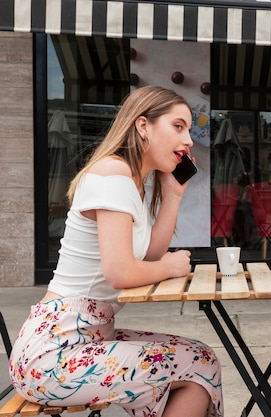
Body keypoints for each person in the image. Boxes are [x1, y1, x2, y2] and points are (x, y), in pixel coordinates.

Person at [9, 86, 223, 417]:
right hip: (54, 352)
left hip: (84, 339)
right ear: (143, 126)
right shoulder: (112, 173)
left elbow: (148, 257)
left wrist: (174, 196)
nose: (189, 140)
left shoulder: (132, 183)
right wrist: (172, 266)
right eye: (178, 126)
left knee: (200, 358)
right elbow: (122, 272)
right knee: (198, 362)